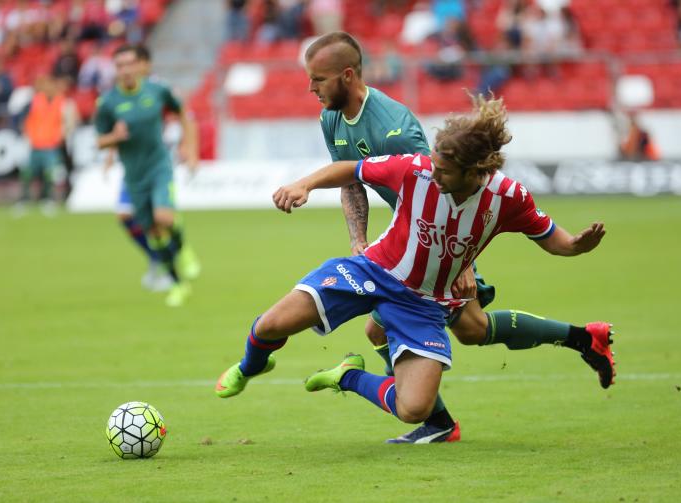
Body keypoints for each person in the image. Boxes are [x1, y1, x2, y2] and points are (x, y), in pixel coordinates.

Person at [215, 94, 611, 441]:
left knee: (414, 408)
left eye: (444, 172)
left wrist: (577, 245)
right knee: (271, 325)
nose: (432, 174)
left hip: (424, 302)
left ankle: (347, 377)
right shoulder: (415, 168)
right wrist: (305, 184)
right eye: (434, 165)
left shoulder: (508, 198)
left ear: (475, 173)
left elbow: (556, 241)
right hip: (371, 272)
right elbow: (351, 169)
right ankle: (251, 366)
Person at [302, 32, 616, 443]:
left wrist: (464, 261)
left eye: (318, 79)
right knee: (470, 327)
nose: (311, 89)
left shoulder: (397, 128)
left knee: (380, 331)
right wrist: (357, 237)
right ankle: (582, 338)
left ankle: (435, 421)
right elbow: (350, 177)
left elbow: (438, 190)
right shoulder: (333, 116)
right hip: (418, 238)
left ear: (346, 75)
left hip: (439, 240)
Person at [94, 44, 199, 306]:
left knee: (163, 217)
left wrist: (189, 148)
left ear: (139, 66)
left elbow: (183, 114)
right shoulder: (107, 103)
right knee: (153, 232)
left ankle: (183, 249)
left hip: (159, 166)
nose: (126, 70)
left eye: (130, 64)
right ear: (115, 70)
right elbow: (99, 141)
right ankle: (178, 284)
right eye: (120, 66)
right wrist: (114, 139)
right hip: (134, 175)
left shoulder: (157, 90)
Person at [15, 74, 68, 217]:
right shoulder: (35, 101)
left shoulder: (61, 101)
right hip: (36, 144)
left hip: (51, 145)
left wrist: (61, 135)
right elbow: (25, 119)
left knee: (52, 173)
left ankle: (50, 199)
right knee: (28, 173)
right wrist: (28, 134)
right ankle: (25, 199)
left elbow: (65, 120)